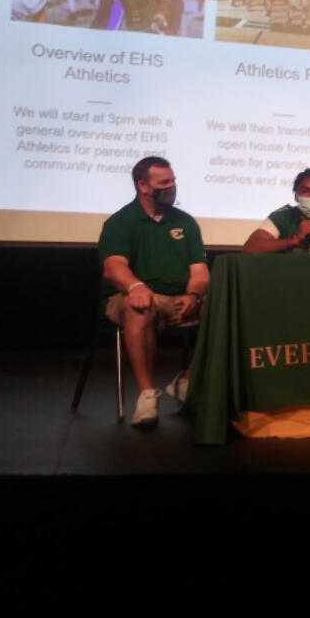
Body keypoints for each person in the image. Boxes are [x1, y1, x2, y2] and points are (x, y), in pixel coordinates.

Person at [98, 156, 208, 427]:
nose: (172, 186)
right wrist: (136, 286)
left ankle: (186, 382)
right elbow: (114, 267)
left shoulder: (185, 223)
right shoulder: (121, 222)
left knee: (226, 308)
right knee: (140, 306)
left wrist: (193, 295)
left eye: (173, 180)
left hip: (178, 298)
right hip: (129, 296)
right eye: (164, 182)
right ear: (143, 186)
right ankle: (148, 395)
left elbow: (199, 272)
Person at [243, 168, 310, 253]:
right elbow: (251, 248)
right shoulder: (283, 216)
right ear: (296, 196)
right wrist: (293, 240)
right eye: (305, 191)